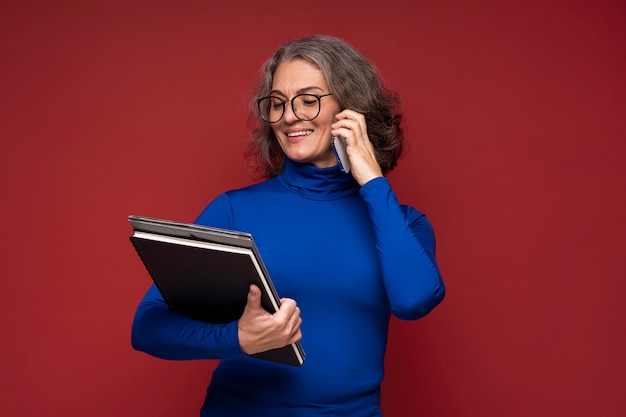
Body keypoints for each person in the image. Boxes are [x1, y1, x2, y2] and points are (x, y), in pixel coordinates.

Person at [131, 34, 445, 417]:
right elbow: (146, 327)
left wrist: (373, 181)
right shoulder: (234, 211)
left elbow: (414, 301)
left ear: (350, 110)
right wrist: (237, 338)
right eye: (277, 104)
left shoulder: (402, 222)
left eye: (309, 100)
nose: (289, 116)